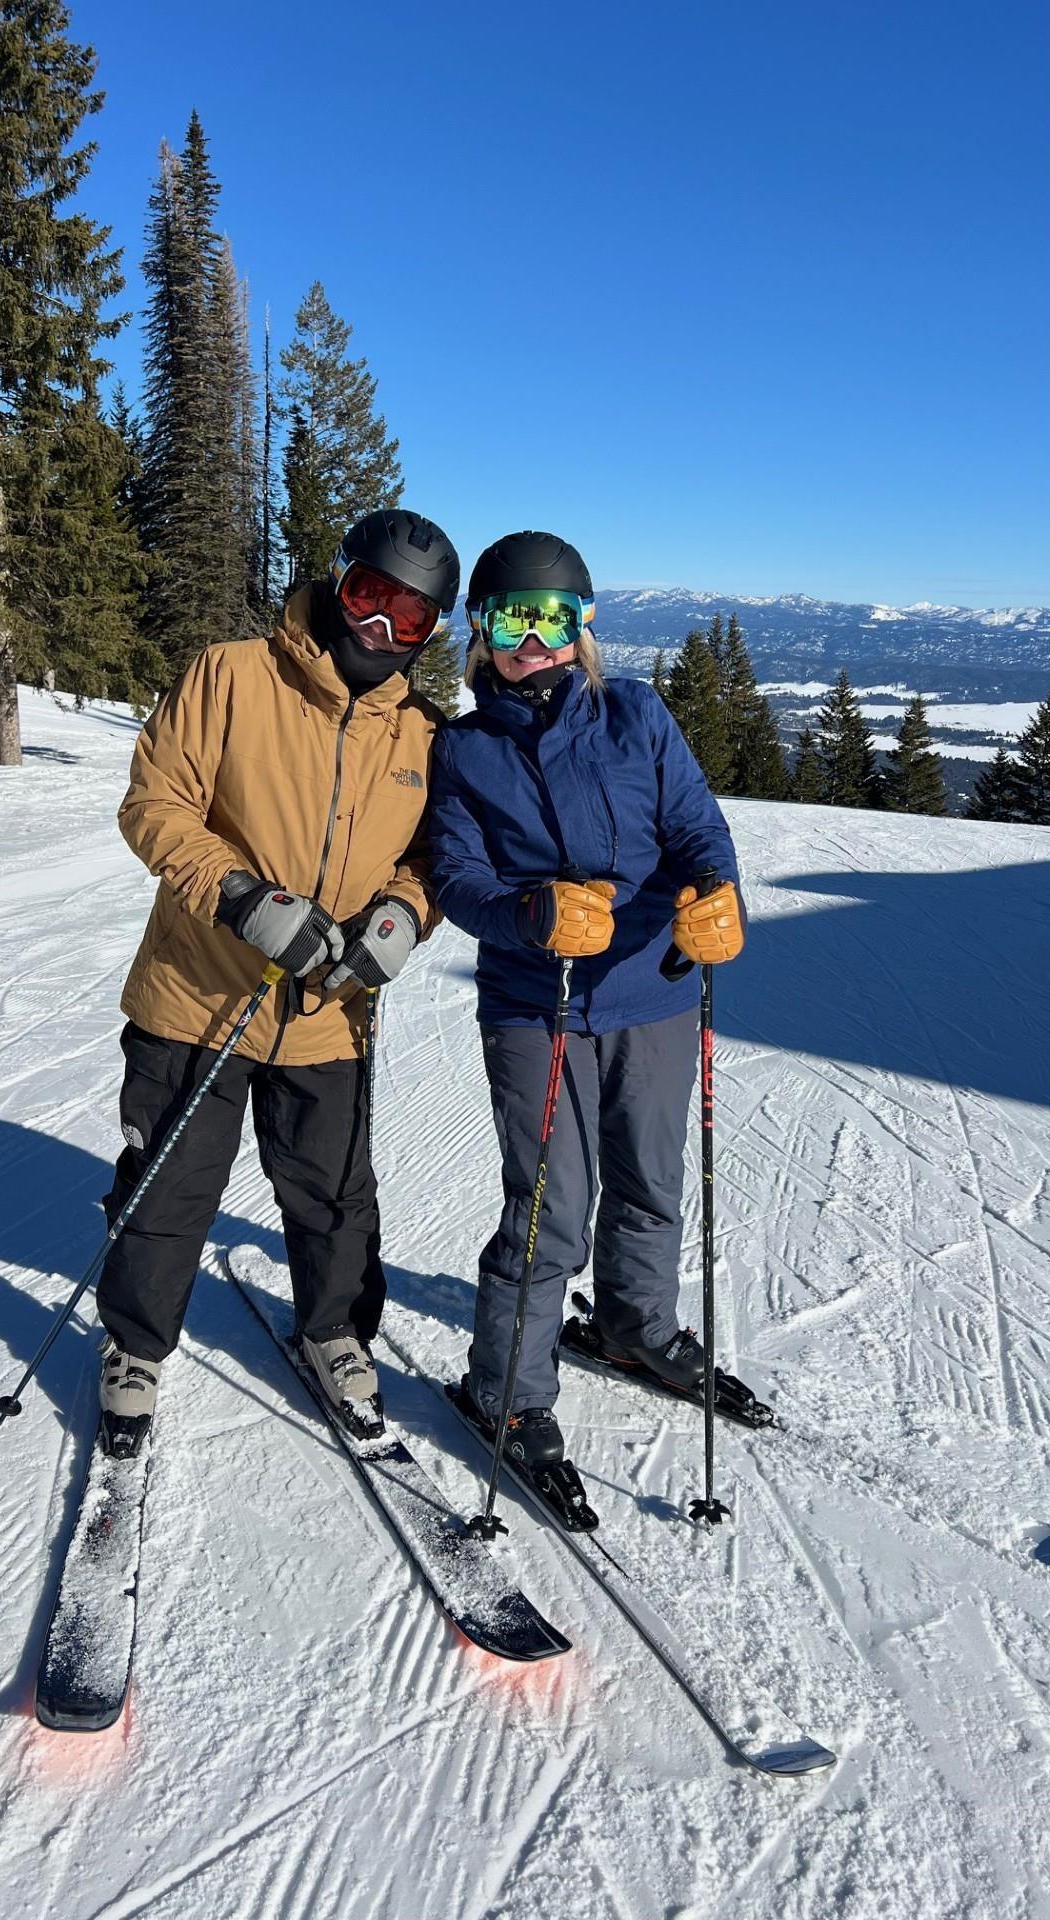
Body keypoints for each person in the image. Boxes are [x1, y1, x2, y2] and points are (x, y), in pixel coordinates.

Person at [95, 508, 460, 1452]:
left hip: (331, 1012)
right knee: (167, 1187)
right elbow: (154, 804)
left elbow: (431, 860)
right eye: (370, 598)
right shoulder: (232, 675)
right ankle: (136, 1347)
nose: (381, 630)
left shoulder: (422, 733)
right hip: (200, 994)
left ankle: (334, 1331)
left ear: (430, 634)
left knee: (335, 1193)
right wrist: (240, 895)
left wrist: (403, 916)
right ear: (339, 584)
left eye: (409, 618)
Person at [428, 530, 748, 1484]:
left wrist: (715, 893)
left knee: (651, 1178)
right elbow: (454, 875)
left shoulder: (637, 715)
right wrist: (530, 912)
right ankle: (508, 1391)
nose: (534, 638)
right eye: (512, 618)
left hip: (651, 989)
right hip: (539, 1006)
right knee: (548, 1210)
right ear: (481, 632)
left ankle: (634, 1325)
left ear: (583, 627)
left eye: (554, 617)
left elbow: (695, 825)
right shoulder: (464, 748)